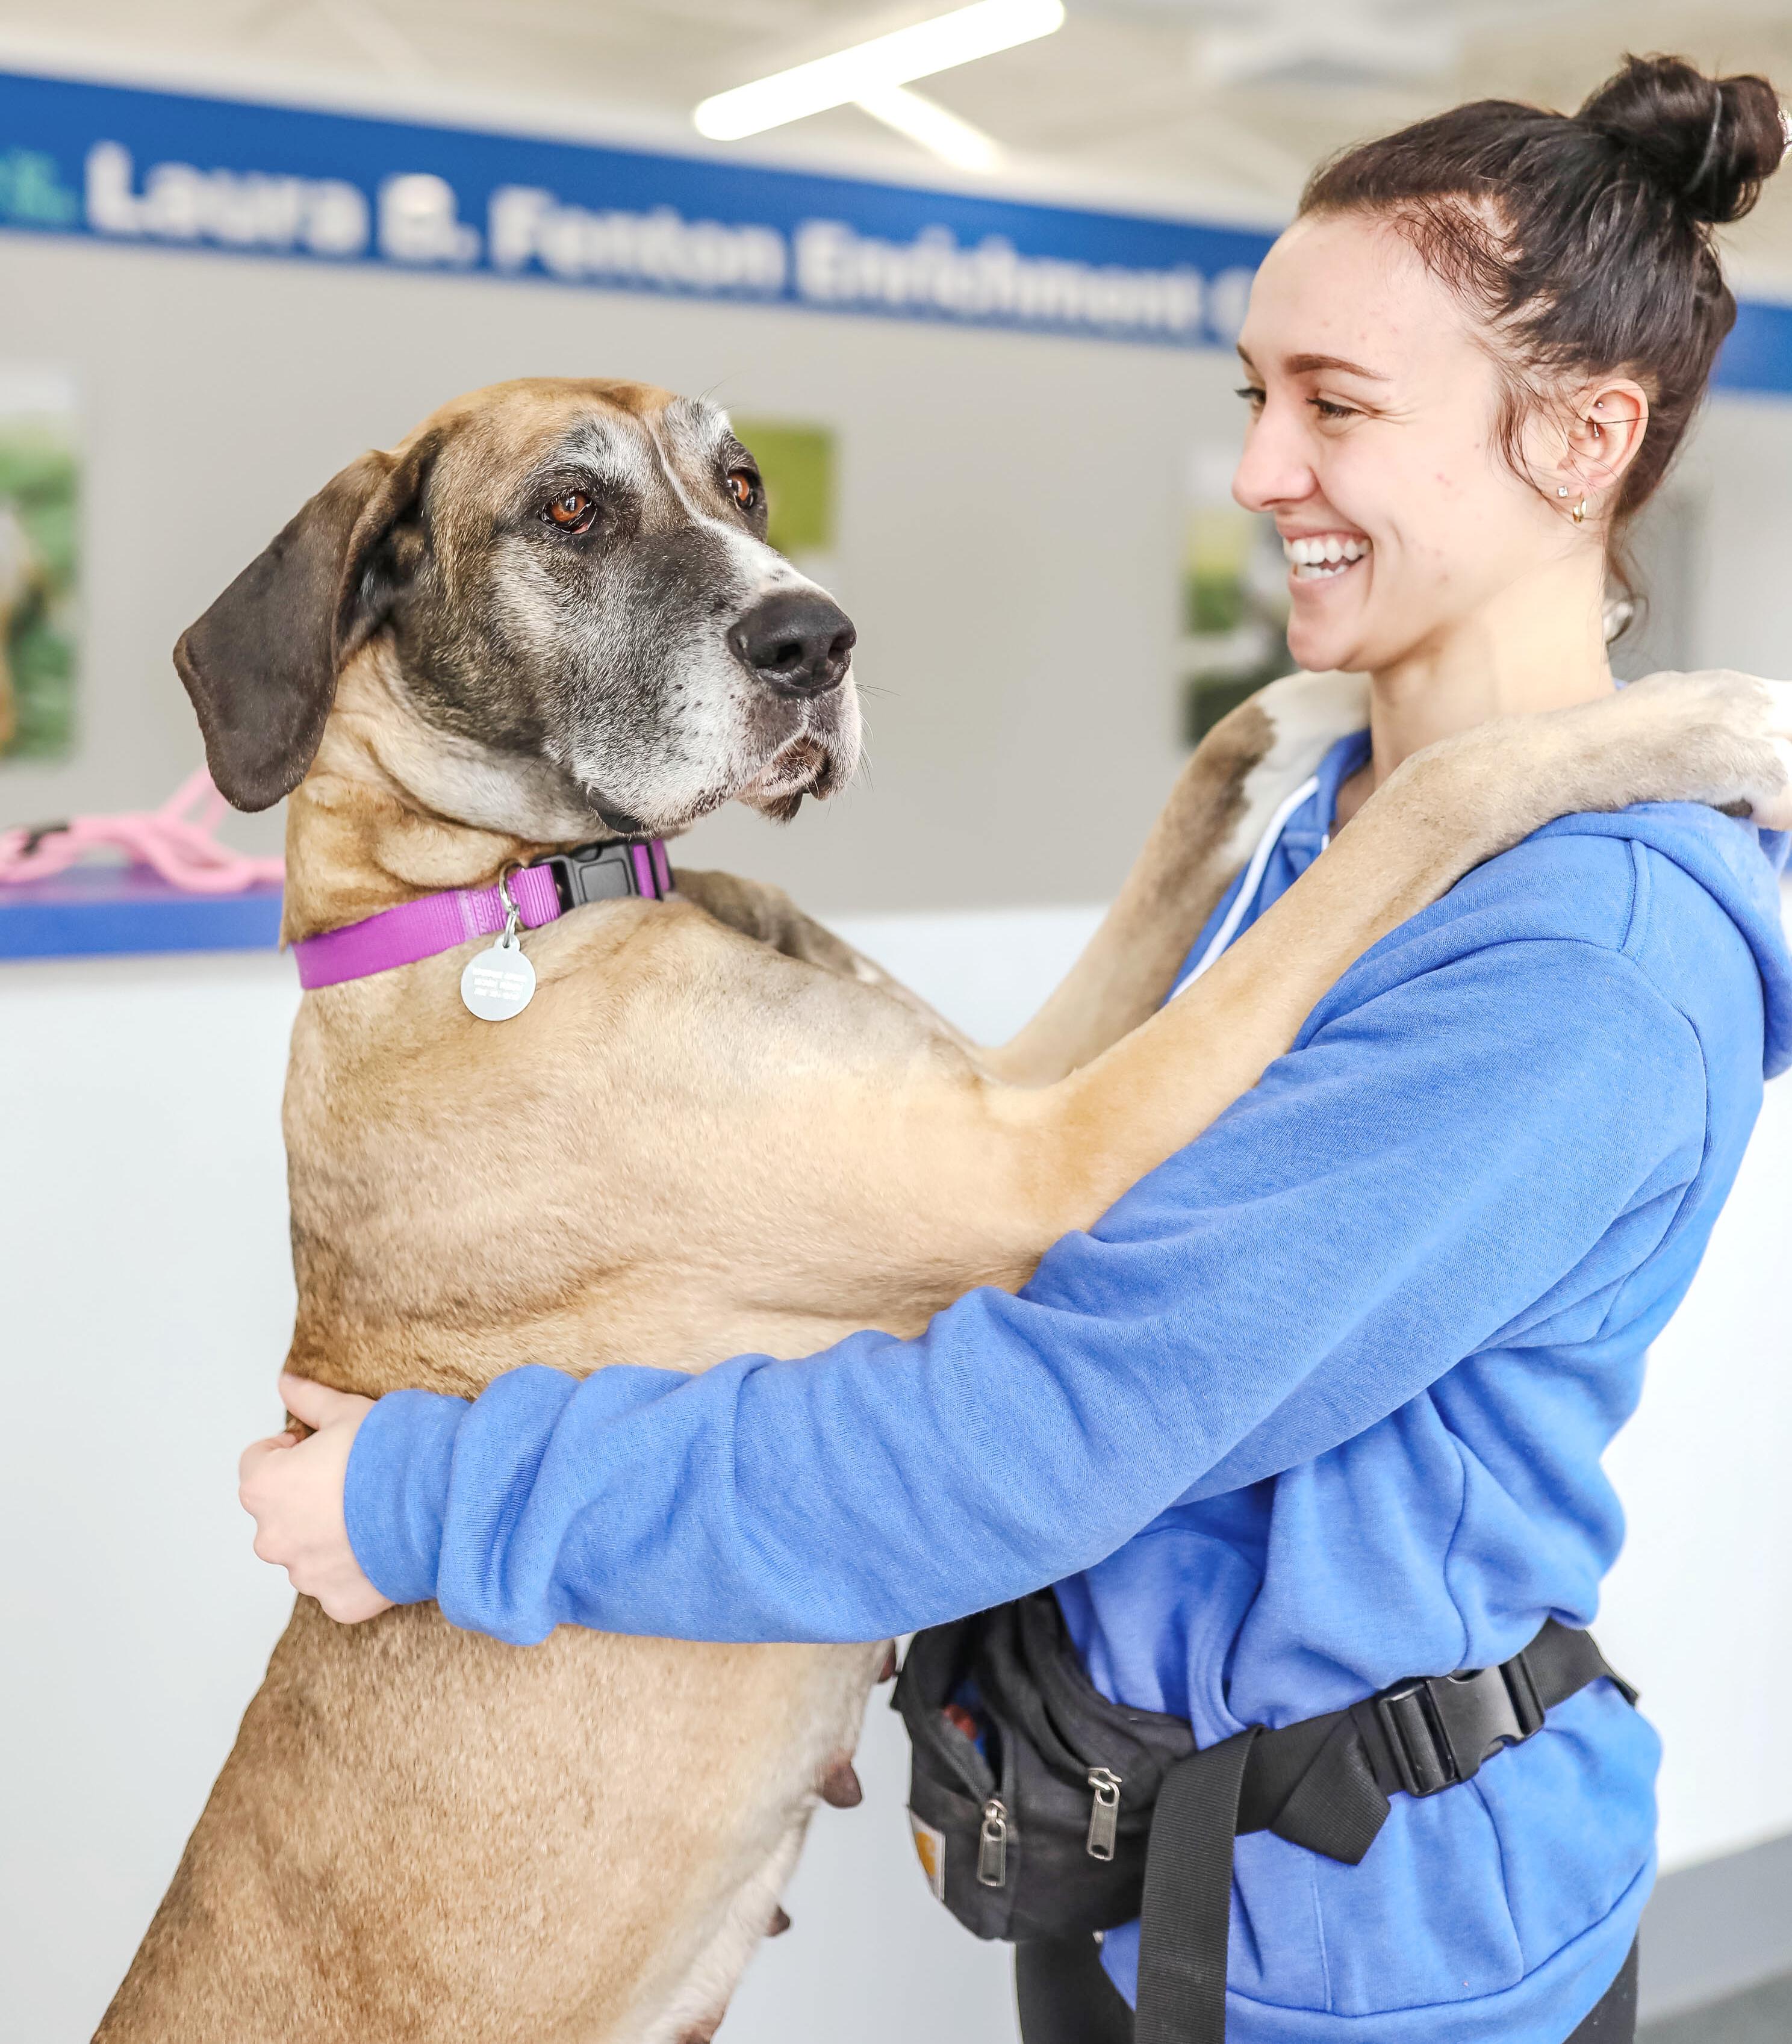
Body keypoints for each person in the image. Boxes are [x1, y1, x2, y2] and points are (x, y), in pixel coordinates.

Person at [238, 55, 1792, 2044]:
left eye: (1336, 406)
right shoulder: (1334, 822)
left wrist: (426, 1501)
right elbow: (1049, 1200)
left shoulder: (1581, 955)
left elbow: (1050, 1423)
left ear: (1586, 435)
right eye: (1256, 395)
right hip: (1137, 1858)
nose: (1258, 470)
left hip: (1356, 1961)